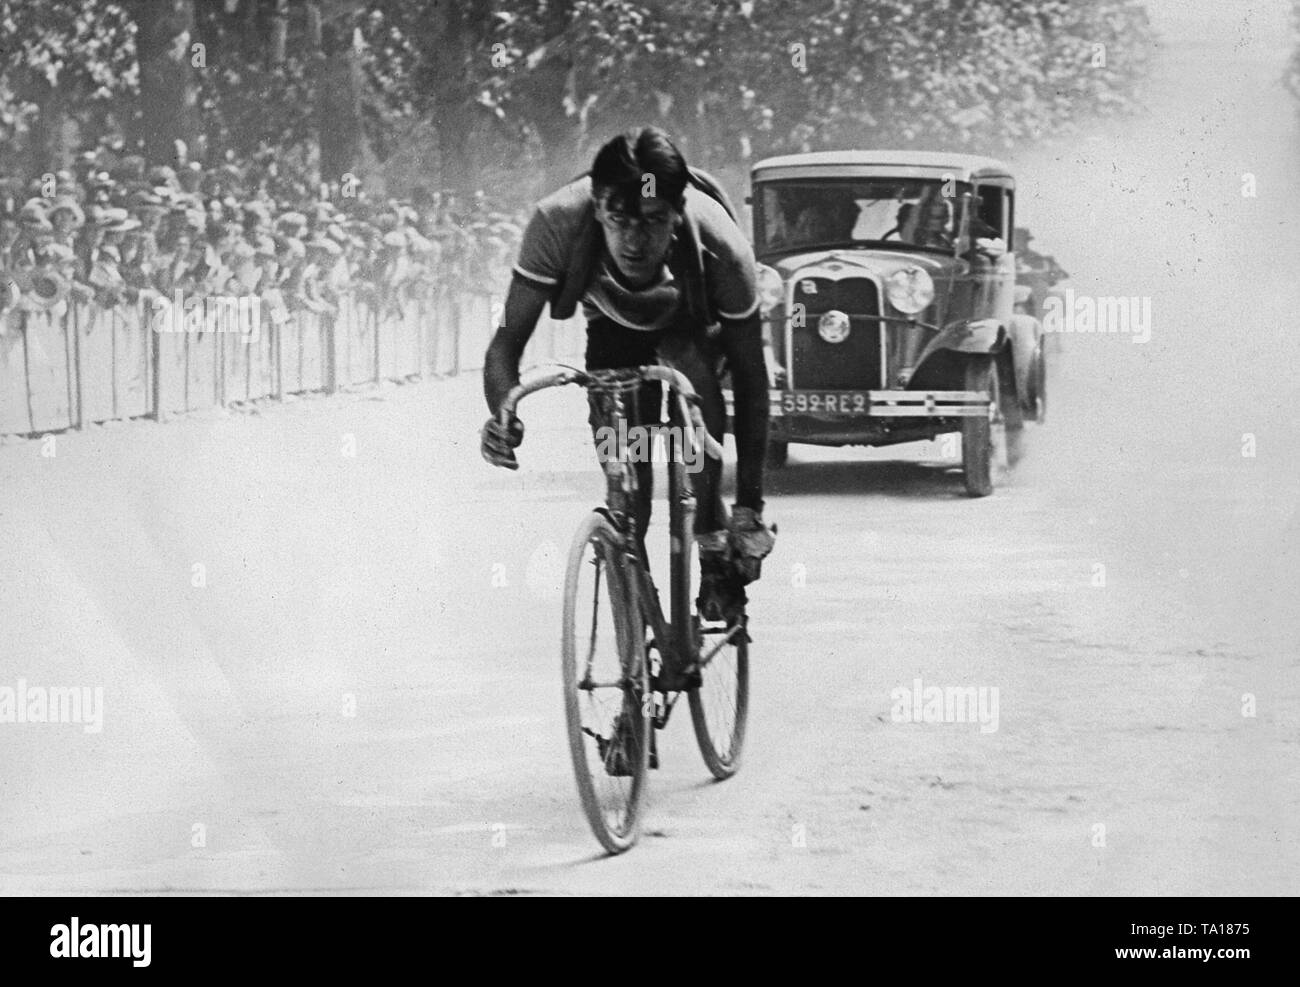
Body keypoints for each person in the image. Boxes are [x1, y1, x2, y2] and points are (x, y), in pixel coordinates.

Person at [480, 126, 775, 623]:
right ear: (596, 207)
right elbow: (506, 344)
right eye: (620, 221)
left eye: (654, 222)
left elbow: (751, 380)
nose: (635, 241)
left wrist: (747, 504)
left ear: (679, 211)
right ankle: (633, 614)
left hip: (692, 323)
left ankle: (708, 536)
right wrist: (503, 415)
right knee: (628, 479)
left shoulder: (723, 247)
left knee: (694, 394)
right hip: (612, 326)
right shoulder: (556, 223)